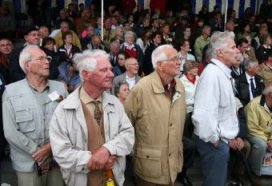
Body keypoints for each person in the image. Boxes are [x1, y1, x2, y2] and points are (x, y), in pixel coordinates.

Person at [49, 49, 135, 186]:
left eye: (110, 69)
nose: (111, 74)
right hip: (81, 181)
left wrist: (107, 150)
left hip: (113, 179)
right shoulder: (64, 109)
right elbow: (61, 152)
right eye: (103, 70)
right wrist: (93, 160)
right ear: (86, 74)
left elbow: (128, 135)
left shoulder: (115, 103)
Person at [2, 45, 68, 186]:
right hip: (27, 164)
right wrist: (38, 152)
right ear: (28, 65)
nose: (47, 62)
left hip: (56, 159)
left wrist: (50, 148)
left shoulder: (60, 88)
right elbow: (10, 132)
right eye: (41, 58)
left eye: (47, 58)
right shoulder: (11, 92)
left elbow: (70, 122)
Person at [124, 44, 186, 186]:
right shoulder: (141, 89)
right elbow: (125, 123)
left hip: (173, 166)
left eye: (179, 58)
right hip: (148, 168)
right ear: (160, 65)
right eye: (174, 59)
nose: (179, 62)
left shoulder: (180, 86)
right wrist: (135, 152)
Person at [192, 31, 243, 186]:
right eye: (233, 47)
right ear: (220, 52)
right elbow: (204, 113)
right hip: (214, 143)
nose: (238, 51)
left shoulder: (220, 73)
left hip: (220, 142)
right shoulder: (212, 75)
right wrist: (215, 140)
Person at [245, 81, 272, 185]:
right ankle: (255, 173)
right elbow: (252, 127)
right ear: (271, 94)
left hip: (268, 135)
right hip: (253, 133)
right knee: (261, 144)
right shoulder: (254, 105)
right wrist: (267, 140)